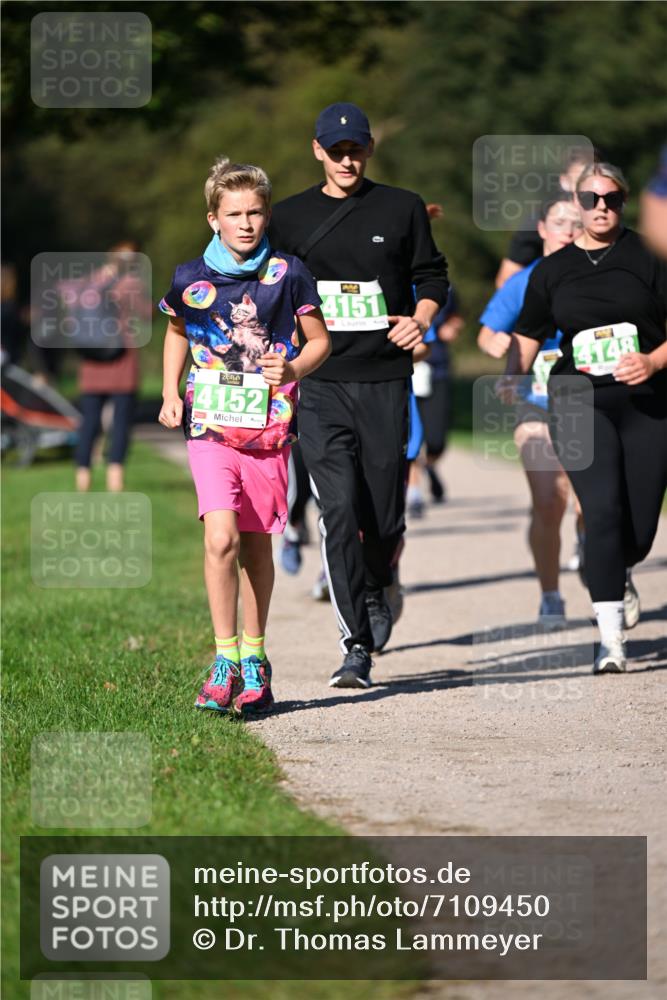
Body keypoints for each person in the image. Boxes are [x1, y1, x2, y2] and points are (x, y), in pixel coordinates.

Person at [269, 102, 448, 688]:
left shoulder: (401, 206)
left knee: (384, 517)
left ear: (369, 149)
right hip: (319, 382)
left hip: (384, 380)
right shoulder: (288, 217)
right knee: (339, 511)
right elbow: (265, 286)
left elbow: (431, 275)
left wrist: (419, 319)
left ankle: (380, 581)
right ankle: (355, 645)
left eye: (356, 150)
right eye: (336, 150)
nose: (346, 160)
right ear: (317, 150)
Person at [158, 157, 330, 714]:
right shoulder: (189, 277)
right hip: (209, 428)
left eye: (255, 212)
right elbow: (176, 331)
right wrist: (169, 392)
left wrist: (294, 367)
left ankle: (255, 657)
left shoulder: (289, 272)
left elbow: (320, 341)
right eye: (234, 214)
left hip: (267, 431)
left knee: (256, 546)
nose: (246, 223)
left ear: (267, 214)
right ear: (214, 219)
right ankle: (224, 659)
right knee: (221, 539)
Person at [510, 162, 667, 673]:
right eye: (591, 199)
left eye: (612, 199)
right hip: (578, 400)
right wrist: (512, 378)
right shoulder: (553, 270)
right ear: (576, 204)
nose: (602, 207)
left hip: (647, 402)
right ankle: (610, 639)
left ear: (624, 202)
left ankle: (620, 567)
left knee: (637, 529)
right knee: (600, 512)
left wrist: (653, 362)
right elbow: (528, 332)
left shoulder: (650, 255)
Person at [480, 196, 584, 625]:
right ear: (541, 229)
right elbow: (487, 333)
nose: (568, 231)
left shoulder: (599, 277)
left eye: (576, 223)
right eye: (559, 222)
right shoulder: (522, 282)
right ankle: (551, 594)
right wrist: (497, 344)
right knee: (547, 501)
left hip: (587, 403)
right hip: (536, 404)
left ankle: (595, 555)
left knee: (588, 503)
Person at [494, 147, 599, 288]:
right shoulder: (539, 220)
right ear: (564, 182)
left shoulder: (608, 219)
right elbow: (505, 282)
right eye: (579, 183)